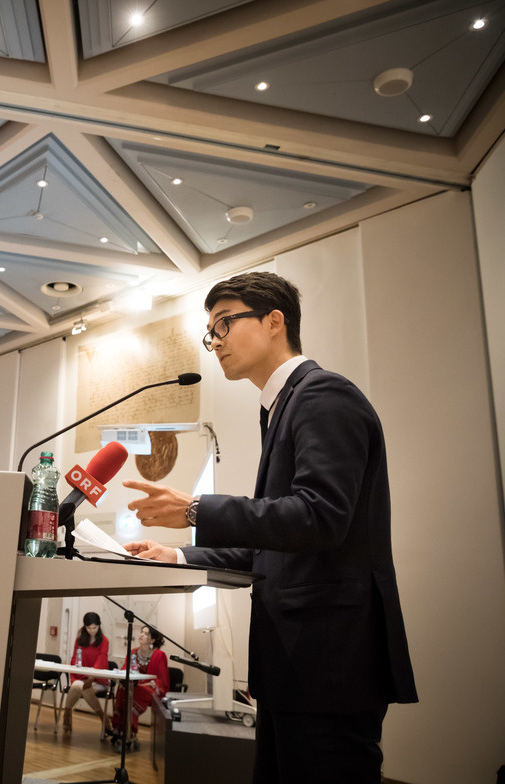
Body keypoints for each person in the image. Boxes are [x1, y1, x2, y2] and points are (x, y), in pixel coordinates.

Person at [122, 272, 417, 783]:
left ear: (275, 321)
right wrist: (178, 556)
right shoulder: (282, 407)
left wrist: (197, 509)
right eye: (209, 331)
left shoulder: (323, 395)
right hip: (295, 664)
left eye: (224, 324)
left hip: (329, 661)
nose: (214, 341)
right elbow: (275, 548)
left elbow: (320, 516)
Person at [107, 626, 168, 747]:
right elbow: (125, 669)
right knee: (122, 690)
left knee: (135, 692)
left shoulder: (159, 655)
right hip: (134, 686)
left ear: (152, 640)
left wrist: (143, 683)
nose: (141, 635)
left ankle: (130, 731)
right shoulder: (132, 652)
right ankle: (118, 728)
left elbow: (162, 680)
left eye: (145, 634)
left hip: (151, 688)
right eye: (141, 632)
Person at [61, 612, 110, 736]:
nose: (92, 630)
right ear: (85, 627)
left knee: (85, 687)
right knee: (78, 685)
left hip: (98, 679)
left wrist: (91, 677)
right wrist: (77, 676)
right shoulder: (80, 640)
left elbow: (101, 659)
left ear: (99, 626)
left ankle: (101, 718)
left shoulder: (104, 641)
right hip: (80, 677)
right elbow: (75, 660)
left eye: (95, 628)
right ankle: (68, 712)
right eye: (89, 628)